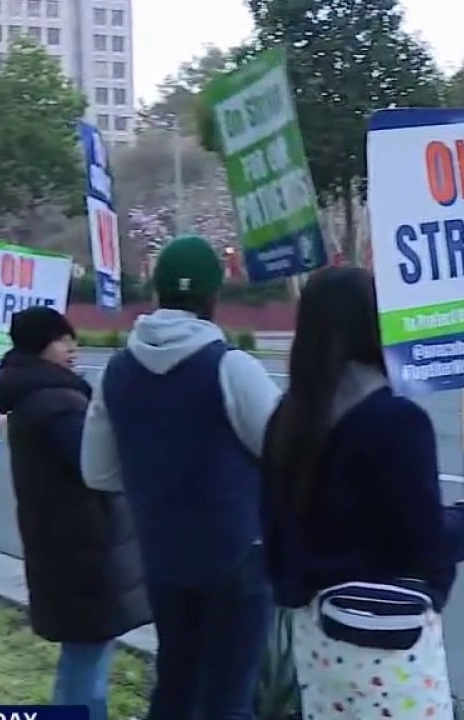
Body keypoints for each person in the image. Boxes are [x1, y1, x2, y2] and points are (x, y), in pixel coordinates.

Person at [260, 267, 464, 719]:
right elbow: (425, 542)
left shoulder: (288, 420)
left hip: (317, 639)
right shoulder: (394, 422)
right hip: (389, 638)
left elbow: (274, 534)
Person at [80, 235, 282, 720]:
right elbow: (284, 450)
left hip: (164, 556)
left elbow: (97, 472)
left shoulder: (118, 372)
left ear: (157, 293)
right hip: (236, 557)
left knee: (175, 686)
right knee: (229, 698)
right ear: (214, 297)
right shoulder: (231, 367)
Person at [0, 307, 149, 720]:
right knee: (86, 661)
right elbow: (96, 465)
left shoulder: (32, 398)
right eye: (63, 340)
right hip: (82, 549)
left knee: (82, 657)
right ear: (41, 347)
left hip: (63, 543)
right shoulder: (57, 404)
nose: (72, 348)